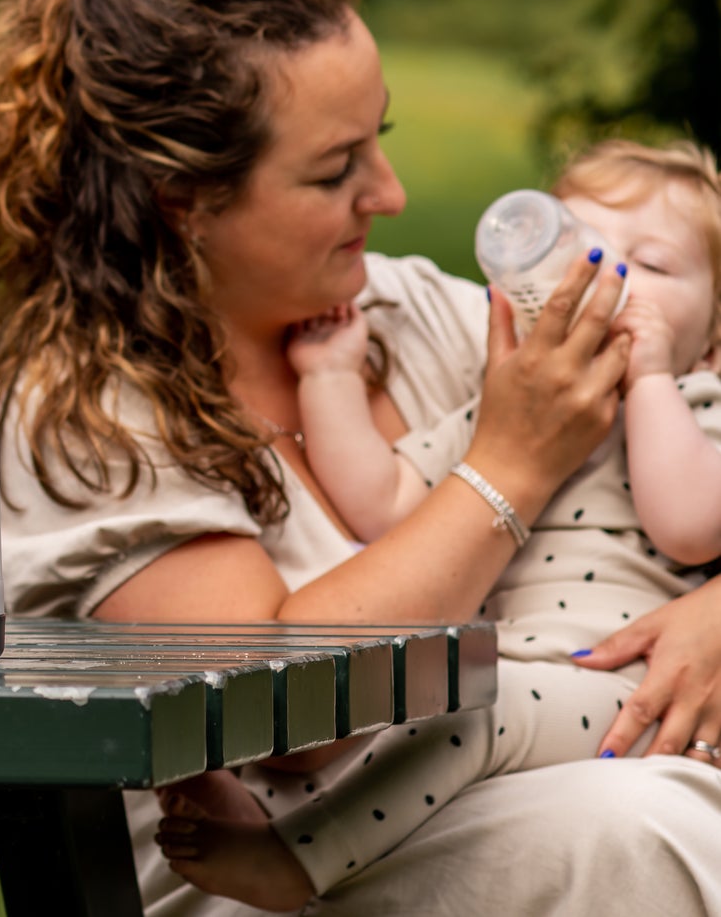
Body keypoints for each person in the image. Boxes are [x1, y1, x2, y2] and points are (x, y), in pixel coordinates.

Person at [0, 0, 721, 916]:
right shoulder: (86, 418)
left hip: (517, 798)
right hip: (259, 881)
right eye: (332, 169)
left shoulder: (406, 316)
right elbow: (275, 712)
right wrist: (509, 465)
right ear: (181, 198)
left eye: (379, 140)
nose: (391, 192)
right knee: (638, 828)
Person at [151, 138, 721, 908]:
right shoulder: (511, 405)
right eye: (581, 248)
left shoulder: (701, 413)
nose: (603, 282)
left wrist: (649, 377)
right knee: (420, 705)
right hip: (517, 681)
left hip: (624, 694)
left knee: (469, 712)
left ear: (715, 336)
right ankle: (266, 820)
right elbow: (380, 499)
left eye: (647, 265)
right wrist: (329, 376)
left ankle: (296, 863)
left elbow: (689, 524)